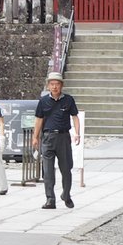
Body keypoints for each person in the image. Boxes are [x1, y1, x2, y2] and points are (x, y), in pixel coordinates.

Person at [33, 70, 80, 209]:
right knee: (47, 171)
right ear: (48, 86)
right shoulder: (43, 101)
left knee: (66, 169)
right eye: (52, 84)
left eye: (57, 84)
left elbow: (75, 117)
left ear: (61, 85)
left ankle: (66, 194)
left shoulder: (68, 100)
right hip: (48, 137)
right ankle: (50, 199)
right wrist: (35, 137)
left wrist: (77, 133)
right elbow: (39, 119)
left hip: (63, 137)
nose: (54, 87)